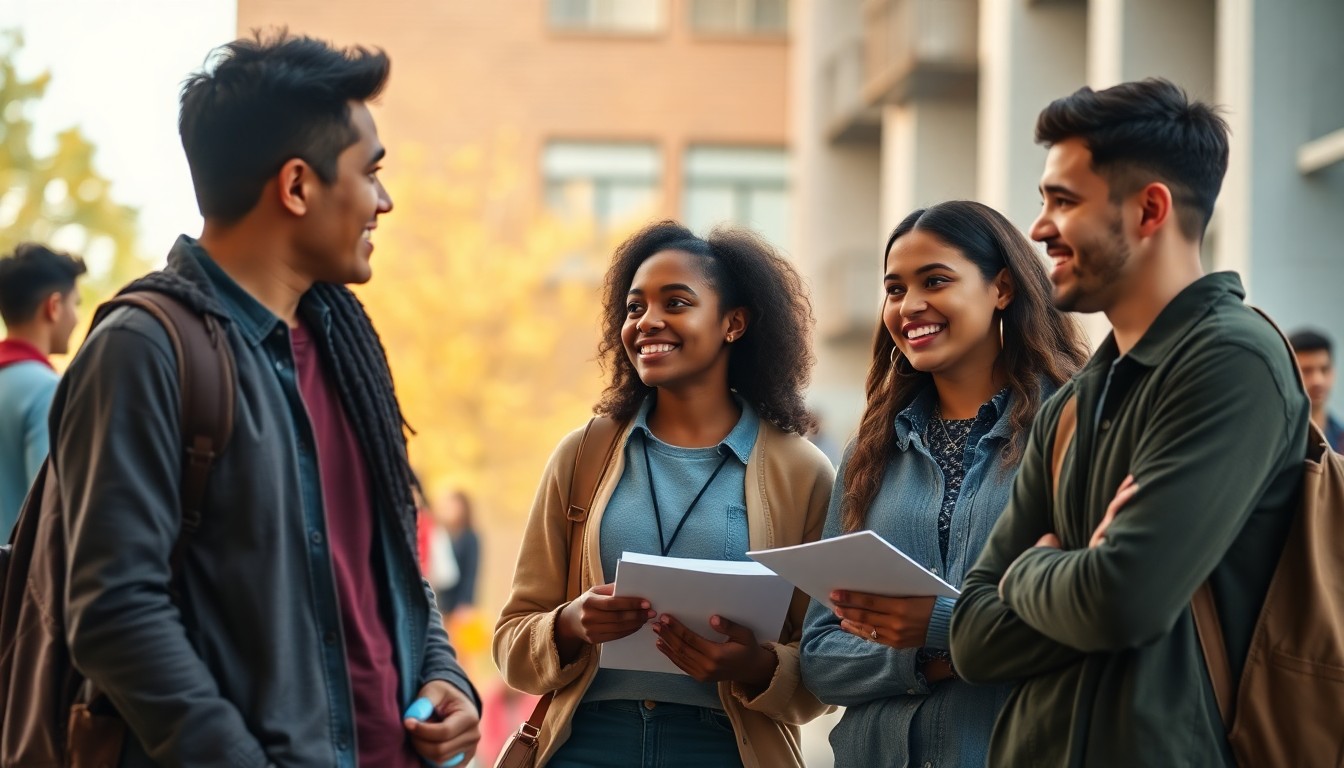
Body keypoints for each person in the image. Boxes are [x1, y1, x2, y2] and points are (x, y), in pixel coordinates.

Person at [49, 34, 480, 767]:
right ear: (297, 186)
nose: (384, 201)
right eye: (370, 173)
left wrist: (445, 676)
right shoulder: (143, 350)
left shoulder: (348, 346)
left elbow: (388, 565)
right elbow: (116, 614)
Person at [950, 79, 1309, 766]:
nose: (1039, 229)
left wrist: (1030, 570)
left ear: (1150, 209)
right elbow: (971, 637)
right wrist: (1080, 575)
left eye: (1064, 201)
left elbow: (1122, 603)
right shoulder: (1072, 402)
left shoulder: (1233, 362)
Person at [493, 222, 834, 767]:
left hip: (725, 749)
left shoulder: (803, 473)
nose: (647, 321)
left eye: (675, 302)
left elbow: (826, 666)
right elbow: (512, 641)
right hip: (585, 745)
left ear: (733, 323)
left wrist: (753, 666)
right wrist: (570, 624)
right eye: (634, 308)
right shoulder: (581, 455)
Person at [799, 201, 1089, 767]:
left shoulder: (1073, 431)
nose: (910, 305)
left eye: (935, 281)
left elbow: (1096, 615)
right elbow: (821, 658)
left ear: (1001, 287)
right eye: (895, 289)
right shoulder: (869, 454)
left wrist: (941, 627)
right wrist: (929, 660)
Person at [0, 242, 85, 537]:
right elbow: (48, 511)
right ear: (54, 306)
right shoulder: (45, 390)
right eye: (75, 304)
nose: (76, 318)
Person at [1289, 328, 1344, 451]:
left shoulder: (1341, 438)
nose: (1318, 380)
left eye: (1324, 369)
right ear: (1288, 374)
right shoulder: (1275, 439)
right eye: (1306, 370)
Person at [434, 490, 480, 616]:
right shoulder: (440, 534)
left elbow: (470, 572)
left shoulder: (469, 537)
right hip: (441, 600)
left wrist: (465, 602)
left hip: (459, 602)